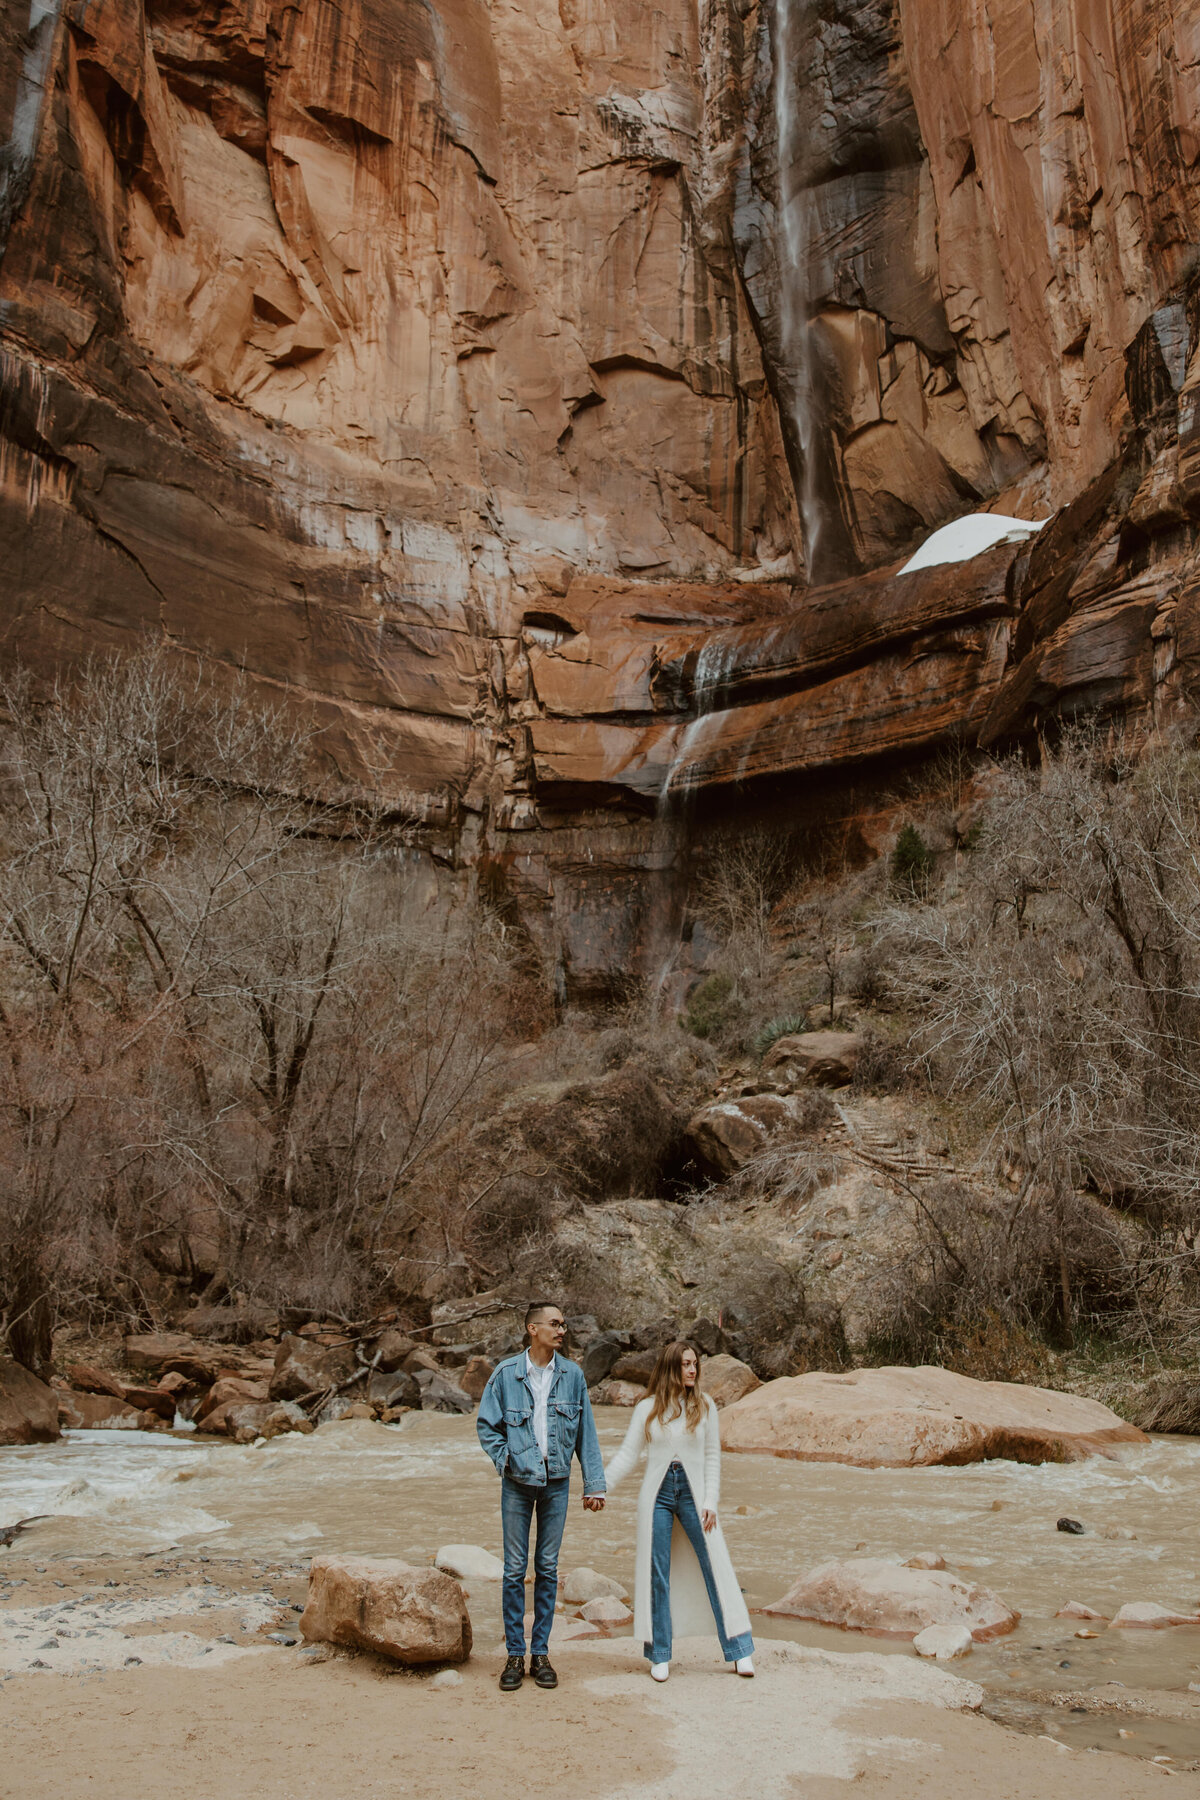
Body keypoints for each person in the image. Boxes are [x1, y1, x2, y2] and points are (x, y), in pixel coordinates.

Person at [603, 1339, 754, 1682]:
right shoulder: (647, 1409)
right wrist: (600, 1488)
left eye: (694, 1364)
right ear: (671, 1367)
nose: (692, 1369)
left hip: (694, 1495)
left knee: (716, 1565)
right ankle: (659, 1654)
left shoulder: (705, 1406)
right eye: (686, 1364)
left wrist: (710, 1502)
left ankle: (739, 1651)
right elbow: (628, 1456)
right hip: (657, 1495)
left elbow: (713, 1457)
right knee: (658, 1572)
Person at [476, 1300, 606, 1692]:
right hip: (517, 1483)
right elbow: (486, 1426)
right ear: (533, 1329)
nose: (562, 1330)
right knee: (515, 1569)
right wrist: (507, 1460)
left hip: (557, 1483)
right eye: (554, 1324)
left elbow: (587, 1435)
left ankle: (541, 1654)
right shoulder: (505, 1374)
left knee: (547, 1568)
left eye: (563, 1324)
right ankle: (515, 1655)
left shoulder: (572, 1376)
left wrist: (594, 1484)